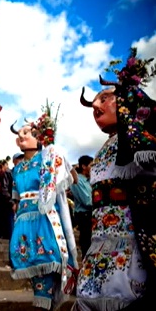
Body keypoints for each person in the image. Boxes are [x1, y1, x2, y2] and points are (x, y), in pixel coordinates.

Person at [72, 49, 155, 310]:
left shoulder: (143, 143)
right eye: (95, 103)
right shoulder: (104, 149)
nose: (95, 106)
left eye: (105, 98)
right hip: (99, 247)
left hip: (131, 249)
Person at [9, 104, 78, 310]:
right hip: (23, 220)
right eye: (19, 134)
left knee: (46, 267)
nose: (21, 136)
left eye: (27, 133)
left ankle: (44, 305)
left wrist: (55, 157)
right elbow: (15, 199)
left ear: (40, 137)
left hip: (44, 218)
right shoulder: (17, 168)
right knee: (32, 270)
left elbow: (71, 178)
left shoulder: (47, 157)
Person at [69, 155, 93, 257]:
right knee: (87, 245)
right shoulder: (77, 181)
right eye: (91, 165)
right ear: (84, 166)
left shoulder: (90, 181)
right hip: (84, 216)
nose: (94, 168)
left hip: (90, 214)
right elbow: (87, 201)